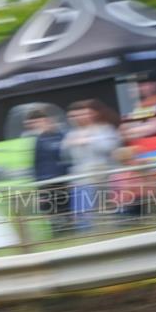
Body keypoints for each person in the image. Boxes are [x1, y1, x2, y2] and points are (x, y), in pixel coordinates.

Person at [61, 99, 122, 231]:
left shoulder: (105, 129)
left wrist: (89, 140)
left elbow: (110, 148)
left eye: (83, 114)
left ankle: (109, 231)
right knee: (82, 211)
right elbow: (64, 155)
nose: (79, 118)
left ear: (92, 114)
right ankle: (86, 232)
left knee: (104, 208)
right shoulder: (71, 134)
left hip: (102, 175)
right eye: (75, 115)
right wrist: (69, 144)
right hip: (80, 177)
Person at [28, 108, 70, 233]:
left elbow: (67, 157)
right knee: (50, 211)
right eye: (34, 124)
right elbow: (36, 165)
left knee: (65, 210)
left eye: (40, 122)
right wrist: (38, 189)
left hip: (63, 181)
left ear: (48, 121)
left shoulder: (62, 136)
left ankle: (68, 233)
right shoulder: (37, 140)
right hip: (45, 183)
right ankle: (58, 235)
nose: (38, 126)